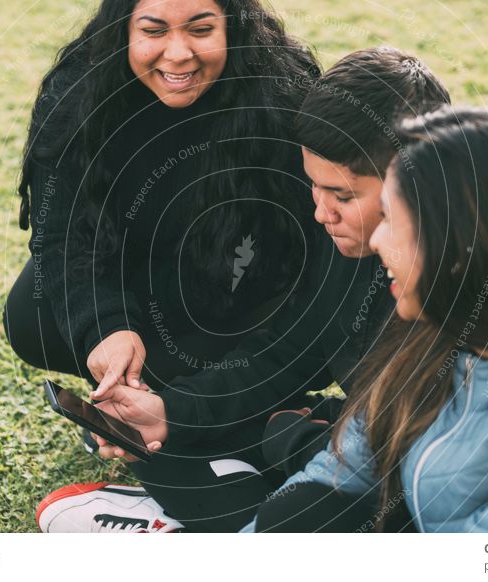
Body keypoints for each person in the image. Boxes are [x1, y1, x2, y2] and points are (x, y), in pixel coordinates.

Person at [36, 47, 451, 533]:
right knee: (163, 444)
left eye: (342, 196)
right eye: (313, 187)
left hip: (408, 476)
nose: (321, 214)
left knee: (322, 514)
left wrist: (295, 438)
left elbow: (433, 468)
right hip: (356, 435)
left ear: (417, 180)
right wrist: (172, 414)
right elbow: (289, 350)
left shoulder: (466, 281)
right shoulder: (343, 248)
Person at [243, 106, 488, 532]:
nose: (378, 240)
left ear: (456, 246)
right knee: (302, 513)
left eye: (392, 221)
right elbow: (341, 472)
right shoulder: (450, 319)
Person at [2, 0, 324, 525]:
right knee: (31, 314)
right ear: (122, 28)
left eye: (202, 29)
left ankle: (232, 418)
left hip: (243, 296)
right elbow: (59, 240)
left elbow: (314, 258)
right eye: (153, 30)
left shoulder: (282, 94)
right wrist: (106, 330)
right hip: (146, 288)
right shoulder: (78, 90)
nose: (179, 54)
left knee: (223, 376)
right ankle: (165, 406)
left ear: (235, 26)